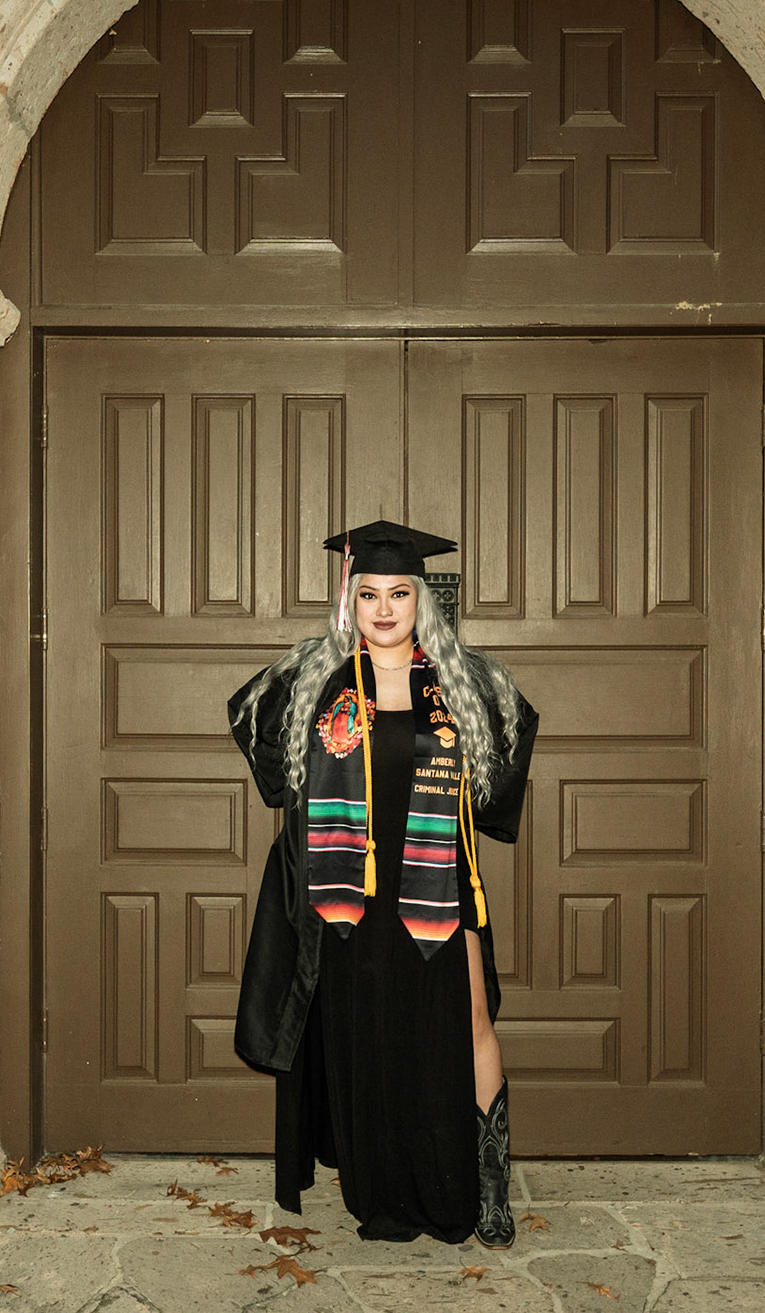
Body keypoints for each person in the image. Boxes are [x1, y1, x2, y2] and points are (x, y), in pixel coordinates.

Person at [228, 520, 538, 1247]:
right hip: (351, 893)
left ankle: (487, 1189)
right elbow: (258, 736)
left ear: (421, 600)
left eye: (400, 593)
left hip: (438, 884)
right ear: (351, 601)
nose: (385, 609)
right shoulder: (320, 681)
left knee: (470, 1025)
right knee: (367, 1038)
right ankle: (382, 1189)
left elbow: (507, 758)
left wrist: (481, 805)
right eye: (369, 594)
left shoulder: (464, 684)